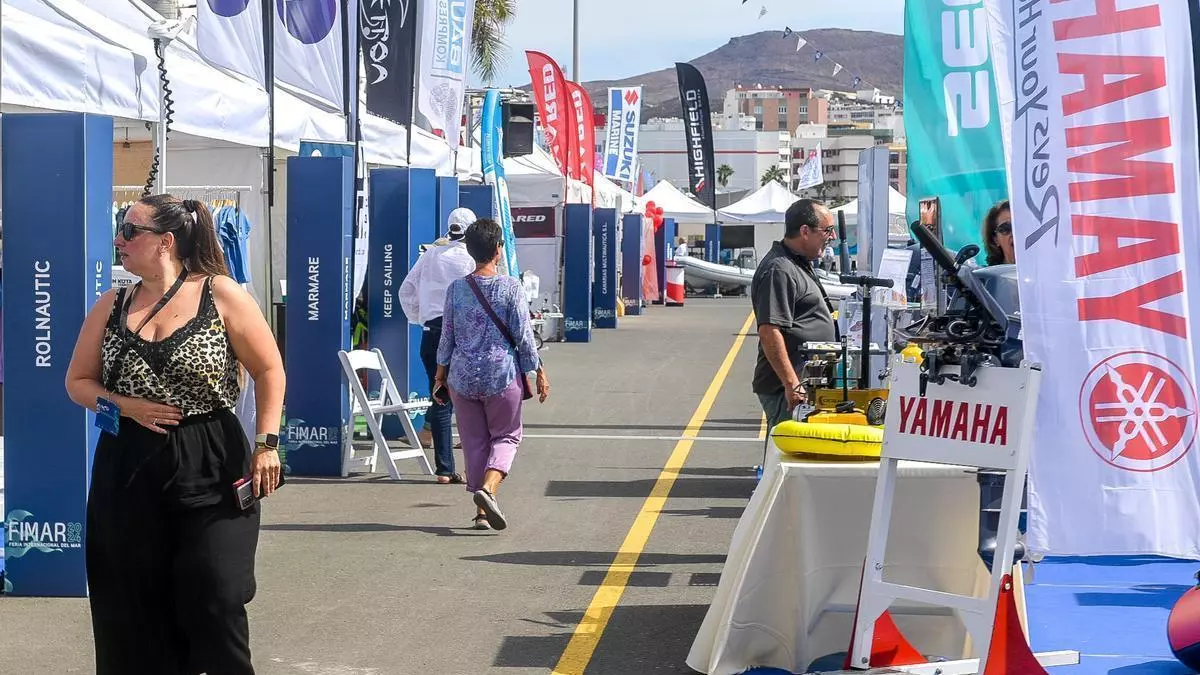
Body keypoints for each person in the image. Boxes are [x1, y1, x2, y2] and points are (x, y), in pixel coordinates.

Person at [65, 194, 285, 675]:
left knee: (217, 591)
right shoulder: (111, 304)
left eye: (130, 231)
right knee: (132, 600)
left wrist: (267, 445)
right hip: (128, 461)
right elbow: (77, 383)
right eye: (120, 229)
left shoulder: (220, 294)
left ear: (166, 241)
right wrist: (124, 405)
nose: (119, 240)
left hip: (210, 456)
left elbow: (270, 369)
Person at [434, 219, 549, 531]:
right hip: (501, 375)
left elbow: (447, 336)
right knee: (507, 436)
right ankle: (489, 489)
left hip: (462, 377)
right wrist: (538, 370)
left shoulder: (456, 288)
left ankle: (482, 512)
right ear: (498, 250)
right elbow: (524, 335)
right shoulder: (510, 287)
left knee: (474, 443)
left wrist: (440, 374)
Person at [399, 207, 478, 483]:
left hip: (432, 331)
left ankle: (444, 468)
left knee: (441, 396)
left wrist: (420, 317)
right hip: (463, 332)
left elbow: (406, 290)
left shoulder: (431, 254)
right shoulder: (471, 258)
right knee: (471, 398)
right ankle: (475, 465)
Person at [751, 199, 838, 429]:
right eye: (827, 230)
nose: (833, 236)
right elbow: (769, 331)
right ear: (805, 232)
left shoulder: (797, 263)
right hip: (787, 388)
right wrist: (792, 384)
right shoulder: (779, 269)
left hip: (806, 382)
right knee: (787, 446)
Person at [981, 200, 1015, 266]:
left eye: (1020, 226)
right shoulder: (988, 273)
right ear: (995, 239)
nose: (1014, 233)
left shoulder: (1037, 269)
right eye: (1005, 228)